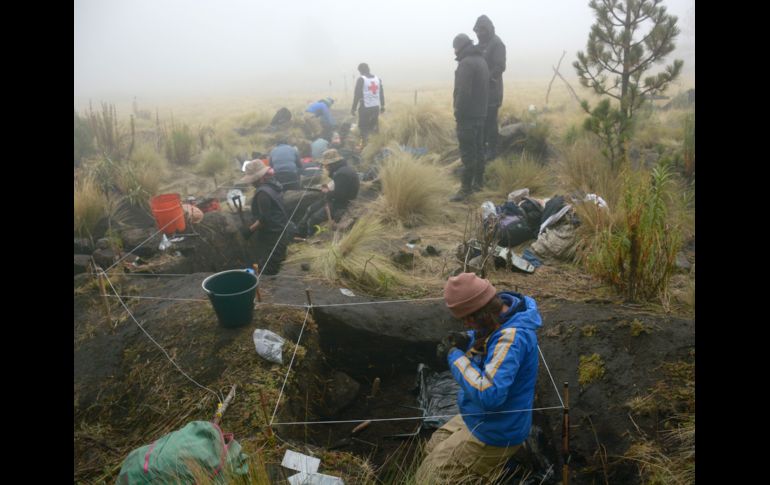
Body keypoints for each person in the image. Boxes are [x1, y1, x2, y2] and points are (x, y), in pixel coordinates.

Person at [415, 272, 542, 484]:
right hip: (480, 418)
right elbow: (491, 336)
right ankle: (488, 471)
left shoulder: (512, 338)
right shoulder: (502, 317)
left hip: (497, 431)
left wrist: (454, 356)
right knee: (431, 446)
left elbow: (489, 394)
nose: (465, 324)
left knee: (427, 478)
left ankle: (497, 472)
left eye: (467, 320)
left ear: (479, 314)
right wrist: (468, 339)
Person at [450, 33, 489, 202]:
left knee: (467, 153)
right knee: (479, 150)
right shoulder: (481, 61)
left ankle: (465, 190)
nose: (454, 52)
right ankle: (478, 184)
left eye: (455, 48)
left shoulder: (466, 64)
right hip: (481, 114)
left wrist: (458, 112)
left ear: (460, 47)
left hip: (468, 116)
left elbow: (464, 93)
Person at [239, 160, 291, 275]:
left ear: (260, 178)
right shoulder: (274, 185)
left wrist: (249, 231)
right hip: (281, 230)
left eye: (253, 180)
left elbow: (264, 219)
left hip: (273, 235)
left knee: (269, 269)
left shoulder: (262, 193)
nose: (252, 183)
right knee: (274, 262)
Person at [297, 149, 359, 238]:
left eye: (326, 165)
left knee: (314, 218)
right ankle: (299, 232)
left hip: (342, 205)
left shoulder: (341, 174)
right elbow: (340, 189)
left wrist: (327, 192)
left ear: (332, 164)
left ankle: (309, 238)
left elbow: (340, 196)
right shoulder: (343, 170)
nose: (325, 167)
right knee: (310, 209)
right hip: (339, 201)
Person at [474, 15, 507, 163]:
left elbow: (500, 66)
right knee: (481, 119)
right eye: (477, 30)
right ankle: (482, 147)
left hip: (492, 91)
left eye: (482, 30)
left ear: (489, 29)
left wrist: (486, 79)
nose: (479, 33)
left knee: (491, 121)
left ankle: (492, 150)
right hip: (480, 92)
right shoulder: (481, 44)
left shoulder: (497, 44)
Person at [350, 62, 385, 145]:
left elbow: (357, 95)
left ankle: (366, 145)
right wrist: (382, 105)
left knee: (363, 127)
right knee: (374, 127)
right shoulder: (377, 79)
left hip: (365, 107)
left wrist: (353, 108)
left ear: (360, 71)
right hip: (375, 107)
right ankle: (376, 144)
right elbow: (381, 93)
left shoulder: (361, 79)